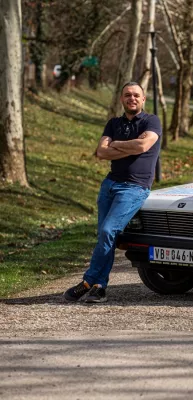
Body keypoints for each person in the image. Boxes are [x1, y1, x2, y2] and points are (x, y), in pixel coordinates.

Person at [64, 82, 162, 303]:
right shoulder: (113, 123)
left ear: (143, 99)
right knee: (105, 235)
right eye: (127, 95)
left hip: (135, 188)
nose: (132, 98)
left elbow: (142, 147)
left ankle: (88, 282)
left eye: (136, 95)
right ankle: (99, 287)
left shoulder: (151, 121)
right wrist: (128, 146)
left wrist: (116, 145)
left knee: (108, 231)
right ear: (121, 99)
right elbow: (101, 152)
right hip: (109, 186)